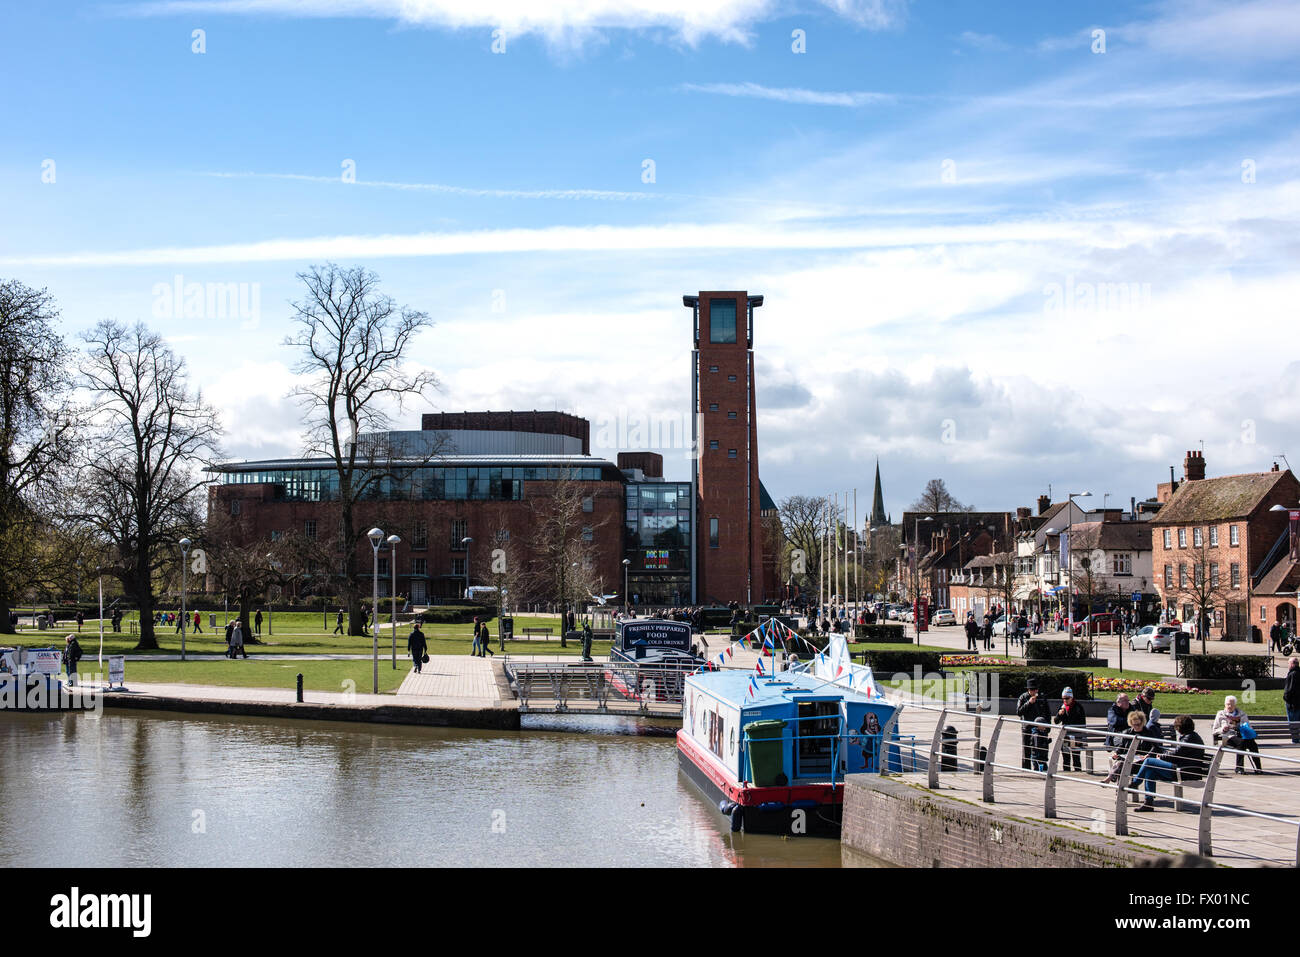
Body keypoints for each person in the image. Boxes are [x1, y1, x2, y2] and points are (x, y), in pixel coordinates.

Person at [1131, 715, 1207, 811]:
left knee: (1148, 761)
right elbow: (1177, 753)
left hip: (1184, 771)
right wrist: (1162, 756)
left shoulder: (1189, 738)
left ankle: (1135, 783)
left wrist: (1160, 757)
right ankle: (1148, 803)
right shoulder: (1191, 736)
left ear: (1179, 728)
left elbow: (1175, 755)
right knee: (1150, 771)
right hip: (1183, 769)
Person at [1211, 695, 1262, 773]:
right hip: (1227, 737)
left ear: (1235, 705)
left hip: (1242, 735)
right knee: (1241, 742)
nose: (1229, 706)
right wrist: (1223, 729)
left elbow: (1248, 727)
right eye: (1228, 704)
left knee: (1252, 744)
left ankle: (1258, 768)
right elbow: (1214, 730)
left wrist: (1241, 727)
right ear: (1224, 704)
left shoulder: (1242, 714)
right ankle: (1239, 768)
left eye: (1231, 704)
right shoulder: (1220, 714)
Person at [1016, 679, 1051, 770]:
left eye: (1035, 689)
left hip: (1040, 728)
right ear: (1028, 690)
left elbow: (1047, 713)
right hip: (1027, 727)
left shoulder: (1042, 698)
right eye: (1032, 690)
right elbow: (1019, 712)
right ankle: (1026, 769)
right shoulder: (1023, 697)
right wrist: (1029, 703)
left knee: (1041, 749)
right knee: (1026, 750)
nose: (1034, 691)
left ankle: (1040, 768)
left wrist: (1048, 726)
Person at [1053, 686, 1087, 772]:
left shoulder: (1078, 707)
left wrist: (1081, 738)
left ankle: (1078, 772)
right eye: (1063, 698)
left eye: (1067, 698)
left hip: (1076, 736)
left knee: (1076, 758)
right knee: (1066, 758)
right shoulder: (1062, 707)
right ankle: (1067, 772)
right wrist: (1059, 714)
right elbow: (1056, 721)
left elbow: (1082, 723)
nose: (1065, 700)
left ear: (1071, 698)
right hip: (1065, 736)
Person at [1284, 657, 1300, 745]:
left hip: (1292, 704)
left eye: (1288, 664)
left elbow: (1289, 689)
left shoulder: (1292, 674)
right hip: (1298, 703)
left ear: (1292, 664)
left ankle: (1295, 740)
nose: (1288, 665)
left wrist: (1286, 698)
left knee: (1293, 722)